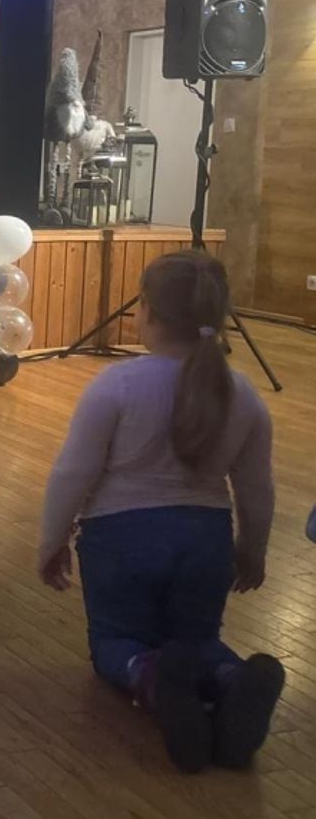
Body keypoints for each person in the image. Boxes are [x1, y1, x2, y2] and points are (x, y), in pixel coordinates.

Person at [38, 252, 280, 774]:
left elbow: (73, 472)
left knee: (115, 641)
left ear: (146, 311)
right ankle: (231, 680)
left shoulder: (118, 384)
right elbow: (257, 487)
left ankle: (149, 677)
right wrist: (252, 549)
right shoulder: (242, 392)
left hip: (121, 537)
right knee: (198, 641)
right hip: (206, 540)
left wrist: (51, 541)